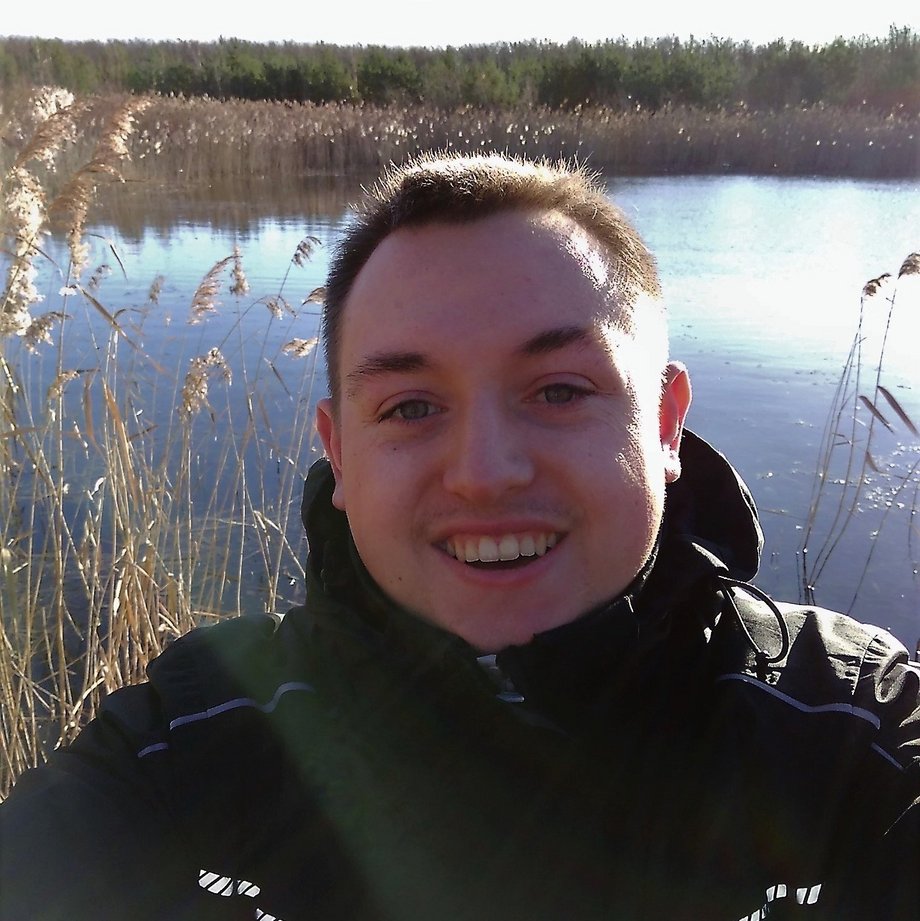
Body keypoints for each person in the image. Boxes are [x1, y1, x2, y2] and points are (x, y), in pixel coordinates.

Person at [1, 152, 917, 921]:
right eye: (410, 406)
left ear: (665, 423)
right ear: (339, 453)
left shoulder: (848, 730)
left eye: (559, 390)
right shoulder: (202, 733)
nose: (484, 472)